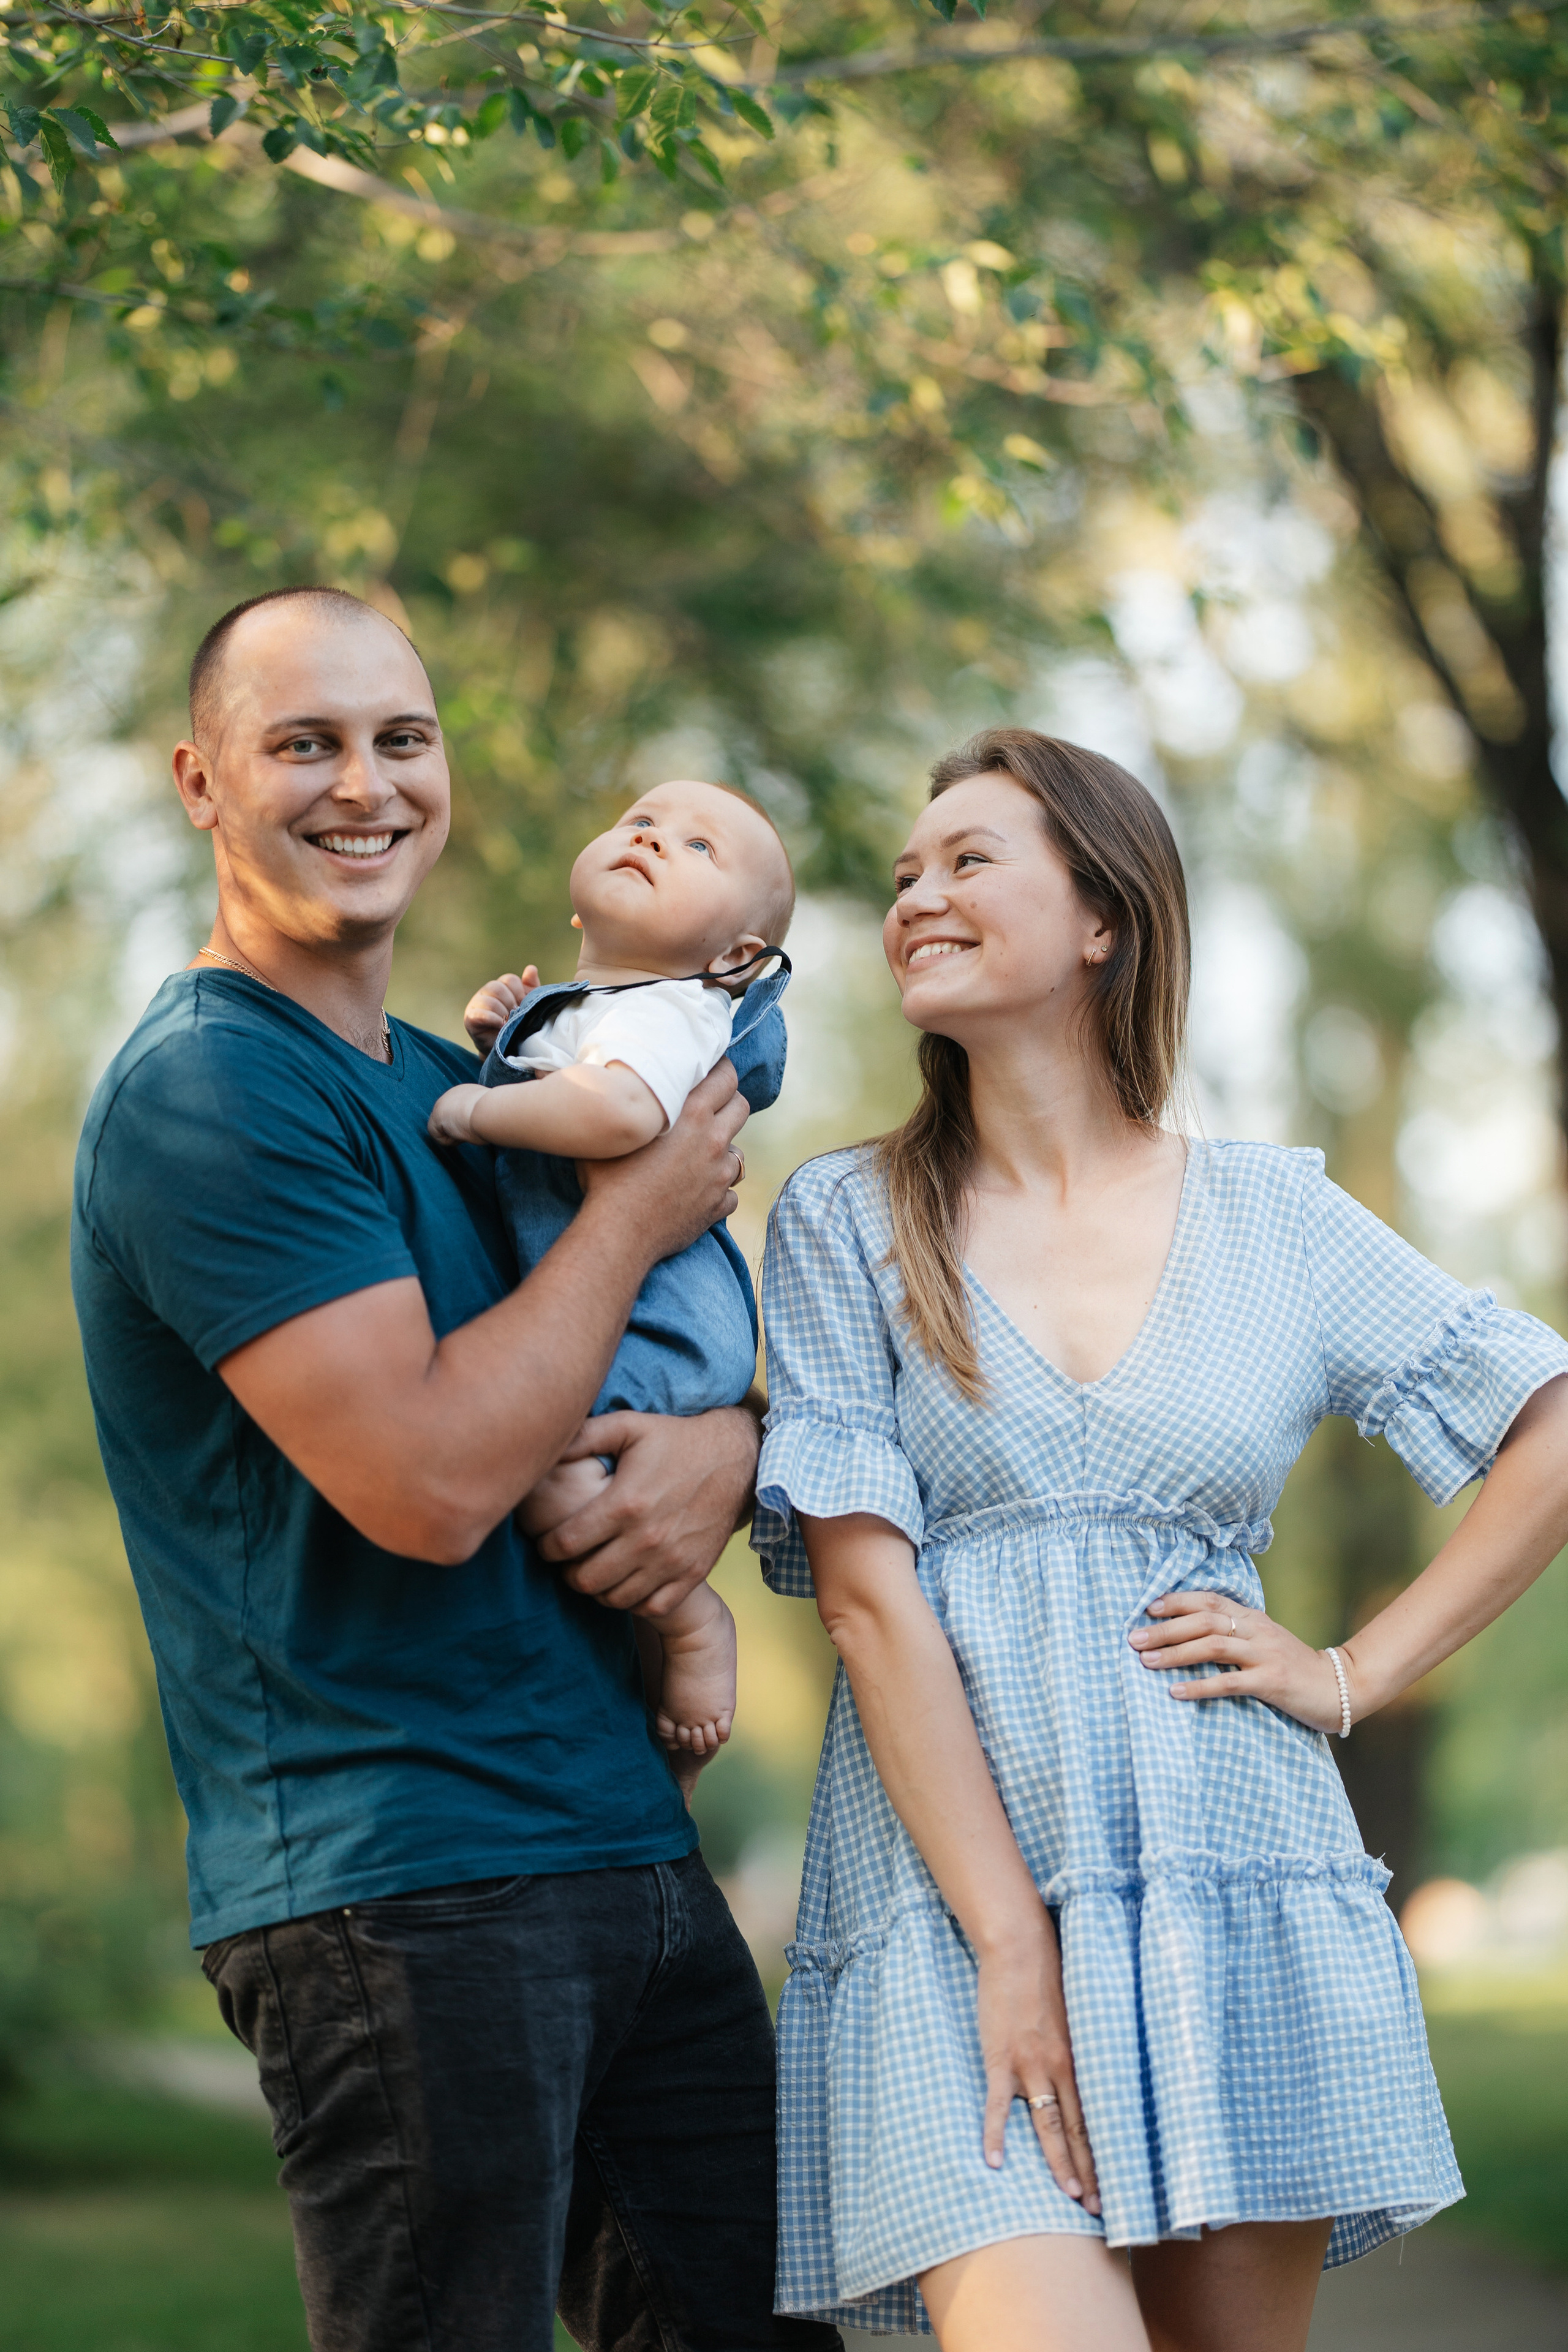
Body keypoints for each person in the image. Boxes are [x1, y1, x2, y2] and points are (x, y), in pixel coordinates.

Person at [70, 584, 842, 2352]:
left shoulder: (471, 1079)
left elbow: (636, 1364)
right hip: (396, 1884)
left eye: (401, 740)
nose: (365, 785)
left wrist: (725, 1442)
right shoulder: (214, 1094)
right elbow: (426, 1479)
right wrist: (640, 1207)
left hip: (625, 1846)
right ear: (203, 781)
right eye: (306, 743)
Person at [751, 726, 1568, 2352]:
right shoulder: (846, 1220)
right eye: (905, 875)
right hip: (945, 1913)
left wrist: (1353, 1672)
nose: (915, 896)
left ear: (1104, 914)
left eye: (969, 861)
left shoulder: (1275, 1216)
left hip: (1234, 1887)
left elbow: (1547, 1416)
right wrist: (1011, 1946)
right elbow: (865, 1604)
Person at [428, 777, 794, 1758]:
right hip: (631, 1308)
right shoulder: (609, 1008)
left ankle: (686, 1617)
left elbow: (618, 1114)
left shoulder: (676, 1009)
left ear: (734, 961)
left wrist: (479, 1104)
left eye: (699, 848)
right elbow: (581, 1077)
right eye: (640, 823)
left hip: (656, 1320)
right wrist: (506, 1037)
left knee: (535, 1459)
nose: (655, 839)